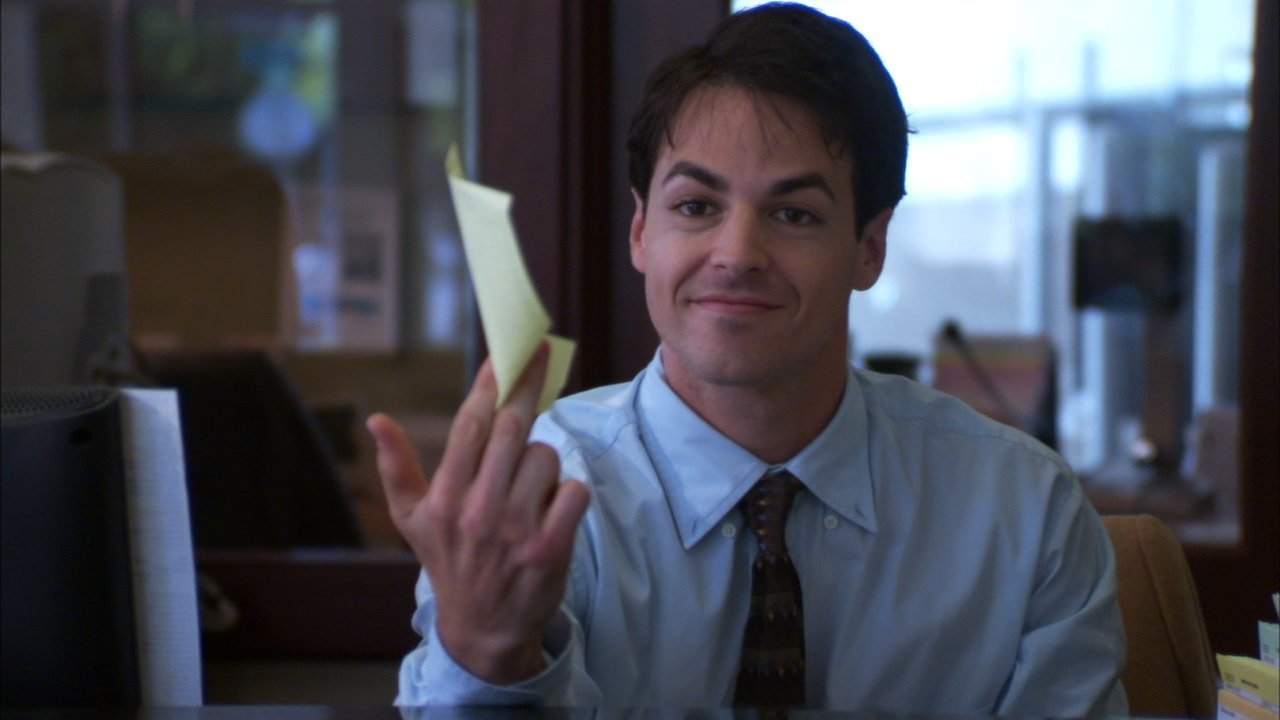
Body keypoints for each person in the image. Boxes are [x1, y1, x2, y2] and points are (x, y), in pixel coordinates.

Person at [368, 2, 1127, 715]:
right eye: (696, 206)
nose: (736, 255)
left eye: (794, 214)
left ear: (869, 247)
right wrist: (490, 656)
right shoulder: (531, 501)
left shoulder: (1023, 512)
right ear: (641, 232)